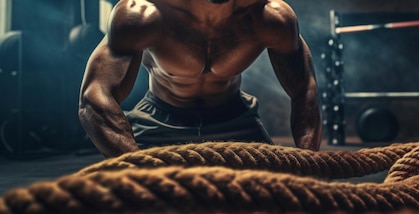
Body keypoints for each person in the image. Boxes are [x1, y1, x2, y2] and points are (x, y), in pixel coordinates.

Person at [78, 0, 322, 158]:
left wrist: (309, 161)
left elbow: (304, 91)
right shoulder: (142, 15)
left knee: (279, 205)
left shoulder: (270, 17)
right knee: (127, 211)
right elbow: (94, 99)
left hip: (236, 122)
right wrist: (139, 167)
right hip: (159, 124)